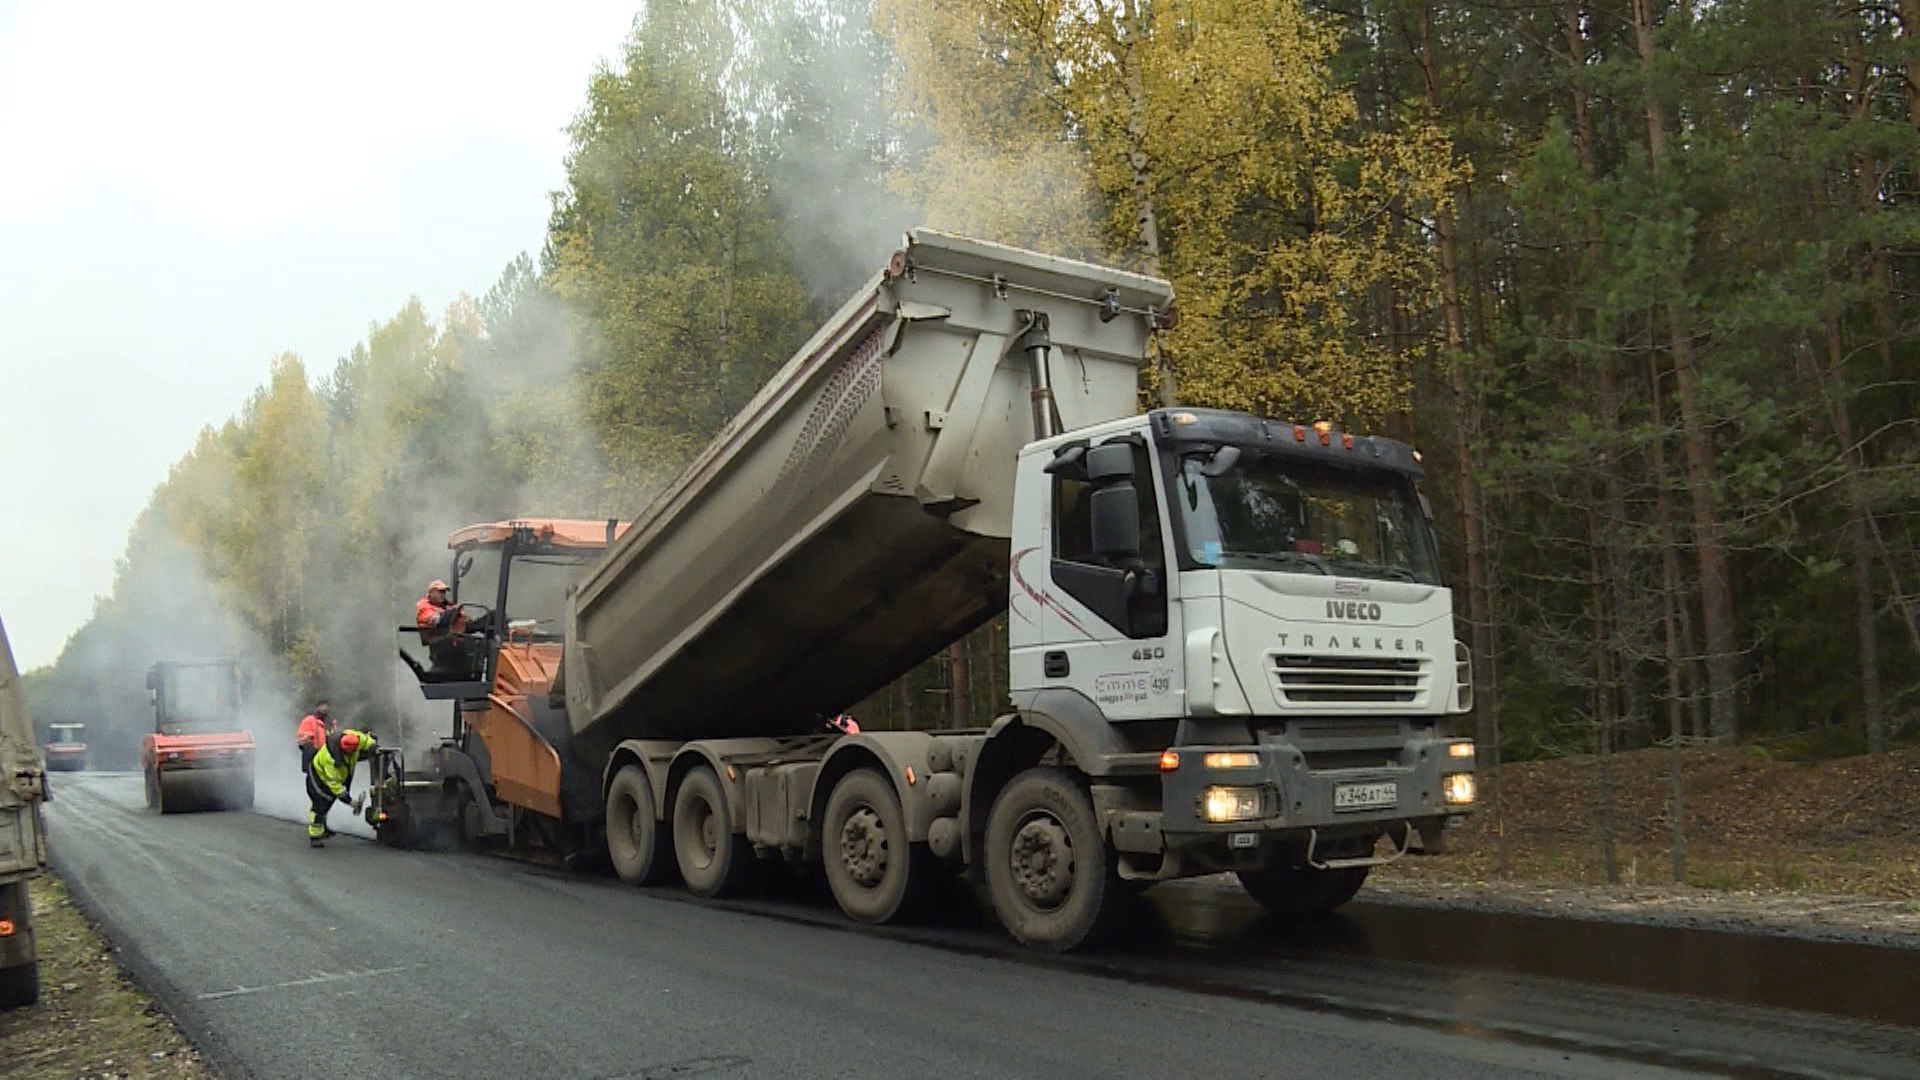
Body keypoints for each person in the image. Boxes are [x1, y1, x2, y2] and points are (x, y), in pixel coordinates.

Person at [306, 728, 377, 848]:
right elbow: (335, 785)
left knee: (328, 802)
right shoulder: (330, 759)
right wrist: (350, 801)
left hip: (331, 778)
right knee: (320, 806)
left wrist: (374, 747)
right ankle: (315, 836)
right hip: (318, 778)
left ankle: (324, 828)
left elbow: (366, 740)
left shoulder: (354, 737)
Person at [295, 702, 333, 779]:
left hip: (327, 761)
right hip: (314, 759)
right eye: (323, 706)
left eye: (327, 707)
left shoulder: (330, 724)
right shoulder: (309, 721)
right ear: (317, 707)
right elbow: (302, 740)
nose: (325, 709)